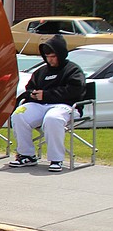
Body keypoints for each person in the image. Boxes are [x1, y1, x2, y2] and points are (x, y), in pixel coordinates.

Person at [10, 33, 86, 172]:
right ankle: (26, 155)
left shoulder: (73, 70)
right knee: (18, 114)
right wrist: (33, 94)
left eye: (53, 57)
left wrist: (46, 95)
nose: (50, 60)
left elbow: (74, 90)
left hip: (65, 106)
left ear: (61, 54)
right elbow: (30, 87)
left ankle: (56, 159)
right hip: (39, 105)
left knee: (53, 118)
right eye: (47, 57)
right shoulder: (41, 72)